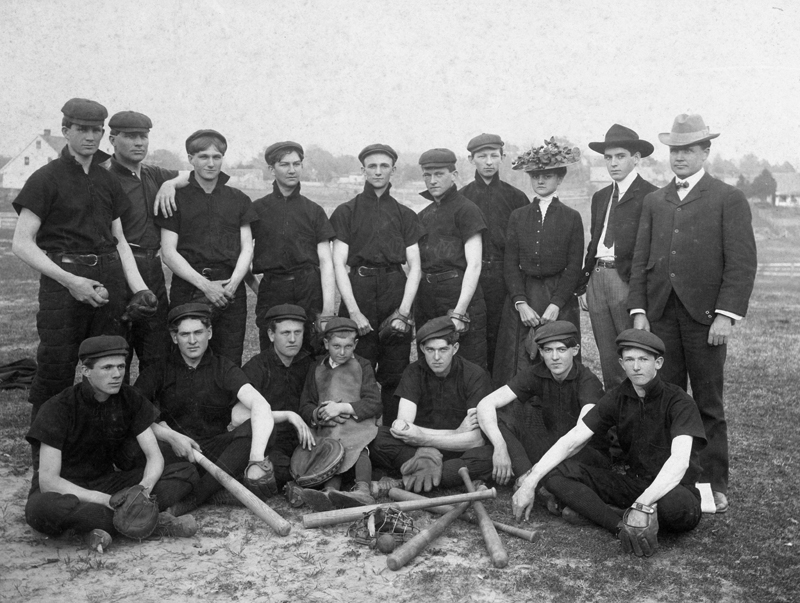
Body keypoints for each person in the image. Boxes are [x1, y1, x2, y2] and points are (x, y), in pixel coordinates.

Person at [628, 114, 757, 513]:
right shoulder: (654, 200)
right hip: (660, 315)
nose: (679, 157)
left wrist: (725, 315)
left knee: (707, 403)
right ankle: (663, 477)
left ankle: (712, 482)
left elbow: (741, 263)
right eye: (675, 150)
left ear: (705, 152)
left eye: (688, 150)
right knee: (661, 399)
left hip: (705, 320)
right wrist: (639, 312)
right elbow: (639, 260)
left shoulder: (728, 198)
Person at [12, 98, 152, 421]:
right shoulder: (45, 178)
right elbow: (22, 243)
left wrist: (140, 288)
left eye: (96, 130)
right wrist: (72, 282)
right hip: (64, 286)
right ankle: (43, 467)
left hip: (109, 286)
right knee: (56, 372)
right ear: (66, 131)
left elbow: (120, 242)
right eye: (82, 129)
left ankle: (103, 456)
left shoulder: (107, 180)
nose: (90, 136)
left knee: (110, 367)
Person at [512, 330, 707, 557]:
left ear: (658, 363)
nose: (636, 367)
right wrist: (531, 481)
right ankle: (619, 524)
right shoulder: (618, 396)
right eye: (630, 360)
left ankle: (607, 511)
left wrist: (642, 504)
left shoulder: (679, 401)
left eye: (644, 360)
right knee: (556, 475)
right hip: (634, 485)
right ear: (621, 363)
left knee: (675, 509)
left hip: (674, 488)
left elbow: (679, 462)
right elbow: (574, 439)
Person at [24, 336, 199, 550]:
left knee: (185, 472)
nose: (116, 374)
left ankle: (108, 524)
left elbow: (154, 456)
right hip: (66, 490)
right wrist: (106, 499)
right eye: (107, 367)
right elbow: (49, 482)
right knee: (41, 509)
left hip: (107, 483)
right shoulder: (58, 408)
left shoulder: (129, 397)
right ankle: (153, 522)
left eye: (121, 366)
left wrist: (142, 491)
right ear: (85, 371)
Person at [134, 304, 277, 515]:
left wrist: (256, 459)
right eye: (185, 334)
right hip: (173, 452)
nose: (192, 341)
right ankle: (215, 488)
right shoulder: (159, 370)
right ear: (175, 338)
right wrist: (169, 435)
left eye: (198, 333)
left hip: (213, 452)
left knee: (262, 429)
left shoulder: (223, 368)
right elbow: (133, 413)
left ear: (209, 333)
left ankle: (195, 498)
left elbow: (260, 405)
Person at [330, 143, 423, 424]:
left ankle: (391, 435)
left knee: (395, 374)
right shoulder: (347, 211)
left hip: (396, 290)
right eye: (372, 166)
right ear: (363, 170)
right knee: (355, 369)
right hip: (359, 290)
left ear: (393, 169)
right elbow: (338, 263)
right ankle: (356, 438)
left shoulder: (405, 214)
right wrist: (354, 311)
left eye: (384, 166)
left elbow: (415, 265)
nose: (378, 171)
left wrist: (404, 312)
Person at [156, 129, 257, 366]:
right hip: (190, 288)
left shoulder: (238, 198)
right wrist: (205, 286)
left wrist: (231, 285)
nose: (211, 163)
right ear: (190, 159)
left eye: (216, 157)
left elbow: (247, 248)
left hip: (230, 291)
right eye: (203, 157)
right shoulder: (176, 198)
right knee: (188, 359)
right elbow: (169, 253)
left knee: (229, 359)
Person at [477, 321, 610, 496]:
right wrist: (500, 446)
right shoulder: (537, 372)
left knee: (558, 475)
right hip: (553, 444)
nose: (555, 357)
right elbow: (486, 404)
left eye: (561, 350)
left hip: (585, 452)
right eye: (548, 350)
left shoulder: (588, 382)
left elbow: (580, 438)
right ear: (541, 352)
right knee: (501, 417)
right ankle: (525, 476)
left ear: (575, 350)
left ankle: (539, 483)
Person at [493, 139, 584, 386]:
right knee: (518, 360)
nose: (540, 181)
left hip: (558, 296)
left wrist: (556, 304)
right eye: (535, 176)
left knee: (556, 352)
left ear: (560, 179)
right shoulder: (518, 216)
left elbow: (575, 265)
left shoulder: (571, 217)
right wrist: (520, 302)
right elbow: (510, 263)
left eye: (547, 175)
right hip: (525, 293)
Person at [105, 110, 190, 373]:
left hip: (152, 269)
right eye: (130, 136)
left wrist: (171, 184)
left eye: (143, 136)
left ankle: (150, 414)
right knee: (118, 350)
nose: (139, 142)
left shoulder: (155, 174)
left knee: (157, 352)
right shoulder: (102, 177)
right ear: (112, 139)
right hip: (117, 271)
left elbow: (192, 174)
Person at [370, 316, 494, 493]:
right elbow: (403, 428)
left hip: (457, 451)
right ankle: (452, 478)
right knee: (377, 436)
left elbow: (475, 440)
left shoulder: (475, 375)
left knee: (488, 455)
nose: (437, 357)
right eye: (430, 350)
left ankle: (404, 481)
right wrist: (455, 433)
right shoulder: (413, 372)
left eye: (443, 350)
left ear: (455, 348)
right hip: (418, 450)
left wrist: (422, 436)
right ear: (421, 349)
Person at [576, 125, 658, 389]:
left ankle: (641, 418)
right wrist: (584, 282)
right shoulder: (601, 197)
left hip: (626, 281)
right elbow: (595, 242)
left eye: (620, 156)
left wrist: (640, 296)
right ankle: (617, 419)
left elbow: (650, 253)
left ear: (636, 158)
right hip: (597, 279)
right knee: (608, 358)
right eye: (608, 157)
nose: (613, 163)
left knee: (632, 353)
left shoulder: (651, 195)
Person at [250, 141, 336, 352]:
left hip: (309, 290)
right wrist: (260, 289)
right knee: (272, 354)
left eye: (296, 164)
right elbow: (241, 254)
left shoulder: (313, 211)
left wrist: (327, 311)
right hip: (272, 291)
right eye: (284, 164)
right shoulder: (257, 209)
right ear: (271, 169)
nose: (291, 170)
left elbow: (326, 262)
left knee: (311, 352)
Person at [289, 317, 382, 510]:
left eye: (348, 346)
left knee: (357, 447)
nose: (342, 352)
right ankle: (329, 493)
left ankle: (363, 491)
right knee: (330, 451)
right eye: (336, 346)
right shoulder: (316, 367)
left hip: (356, 424)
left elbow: (374, 403)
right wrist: (318, 414)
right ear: (326, 343)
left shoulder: (363, 365)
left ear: (355, 343)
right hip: (326, 427)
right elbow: (306, 404)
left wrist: (343, 408)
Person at [459, 133, 529, 373]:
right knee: (472, 339)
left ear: (502, 158)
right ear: (471, 160)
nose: (488, 162)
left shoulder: (516, 197)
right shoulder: (461, 198)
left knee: (504, 340)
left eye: (493, 156)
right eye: (482, 156)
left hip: (504, 278)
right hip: (470, 279)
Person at [415, 148, 488, 369]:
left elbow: (474, 265)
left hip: (458, 294)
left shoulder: (467, 210)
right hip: (427, 297)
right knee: (430, 361)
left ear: (454, 175)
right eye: (427, 175)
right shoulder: (423, 215)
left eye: (439, 174)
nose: (432, 180)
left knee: (467, 362)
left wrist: (459, 311)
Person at [240, 304, 317, 493]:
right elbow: (239, 415)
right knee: (280, 468)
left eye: (298, 332)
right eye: (285, 333)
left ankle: (298, 484)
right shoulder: (256, 367)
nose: (292, 339)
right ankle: (294, 485)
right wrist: (287, 415)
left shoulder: (309, 364)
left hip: (303, 438)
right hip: (270, 440)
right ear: (271, 335)